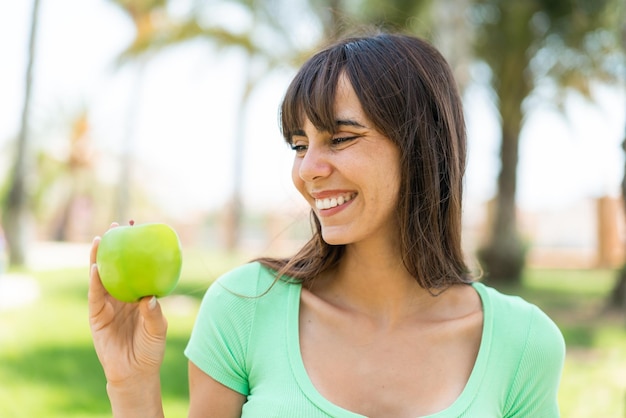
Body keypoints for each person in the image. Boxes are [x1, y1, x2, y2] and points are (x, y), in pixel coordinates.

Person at [89, 30, 565, 417]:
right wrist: (131, 385)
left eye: (339, 138)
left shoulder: (523, 343)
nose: (307, 170)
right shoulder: (245, 307)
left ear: (422, 147)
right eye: (300, 145)